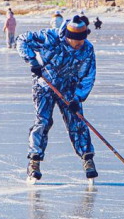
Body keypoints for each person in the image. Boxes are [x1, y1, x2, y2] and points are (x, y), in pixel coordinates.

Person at [16, 16, 97, 182]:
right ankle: (34, 161)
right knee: (43, 122)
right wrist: (33, 61)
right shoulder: (50, 37)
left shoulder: (87, 49)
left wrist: (77, 98)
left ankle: (87, 159)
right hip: (44, 86)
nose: (80, 44)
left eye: (82, 40)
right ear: (68, 37)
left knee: (77, 121)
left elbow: (89, 75)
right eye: (76, 41)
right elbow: (22, 39)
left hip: (68, 89)